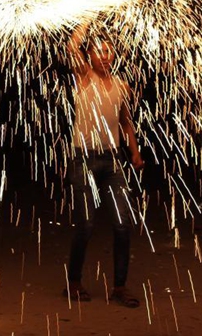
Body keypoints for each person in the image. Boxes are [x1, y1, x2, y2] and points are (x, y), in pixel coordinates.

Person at [62, 20, 144, 308]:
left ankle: (120, 287)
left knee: (123, 224)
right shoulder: (84, 77)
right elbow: (72, 46)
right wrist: (85, 18)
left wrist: (134, 153)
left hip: (112, 160)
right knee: (85, 224)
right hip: (83, 159)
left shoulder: (122, 85)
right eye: (98, 51)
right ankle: (73, 282)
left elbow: (126, 123)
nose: (104, 55)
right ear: (90, 56)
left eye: (108, 50)